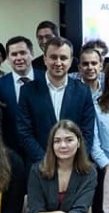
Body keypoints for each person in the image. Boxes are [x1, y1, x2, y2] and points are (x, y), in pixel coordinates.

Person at [24, 120, 97, 213]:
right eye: (57, 141)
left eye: (69, 140)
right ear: (52, 145)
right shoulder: (37, 170)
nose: (63, 145)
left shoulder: (89, 172)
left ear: (78, 142)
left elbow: (80, 211)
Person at [18, 37, 96, 165]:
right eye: (53, 57)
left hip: (74, 167)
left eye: (63, 58)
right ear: (45, 59)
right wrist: (46, 162)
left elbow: (87, 133)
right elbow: (25, 133)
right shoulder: (27, 91)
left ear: (71, 61)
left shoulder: (83, 92)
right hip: (40, 166)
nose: (58, 62)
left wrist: (73, 161)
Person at [0, 36, 44, 158]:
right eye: (14, 54)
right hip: (11, 153)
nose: (19, 58)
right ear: (8, 59)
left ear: (32, 54)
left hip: (43, 150)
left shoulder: (46, 80)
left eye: (23, 53)